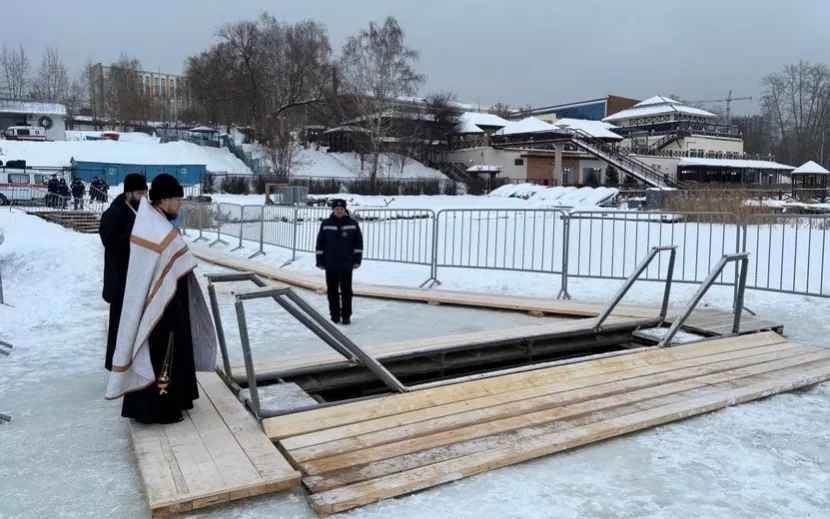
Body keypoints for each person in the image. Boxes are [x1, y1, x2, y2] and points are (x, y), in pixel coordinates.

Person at [105, 173, 217, 424]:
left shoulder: (154, 221)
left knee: (170, 353)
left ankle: (174, 400)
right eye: (177, 200)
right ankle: (159, 410)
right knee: (160, 354)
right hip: (160, 305)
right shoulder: (155, 227)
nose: (180, 205)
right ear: (164, 200)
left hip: (167, 300)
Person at [98, 173, 148, 371]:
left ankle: (135, 362)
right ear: (128, 193)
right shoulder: (114, 213)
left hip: (137, 278)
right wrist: (135, 240)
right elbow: (109, 240)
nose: (144, 196)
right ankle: (115, 365)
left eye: (145, 192)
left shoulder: (143, 210)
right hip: (121, 280)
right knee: (119, 325)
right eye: (139, 192)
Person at [315, 199, 363, 325]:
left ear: (345, 210)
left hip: (347, 264)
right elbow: (320, 243)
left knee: (347, 291)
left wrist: (357, 260)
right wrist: (319, 261)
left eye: (341, 209)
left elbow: (358, 243)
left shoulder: (353, 223)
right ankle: (334, 315)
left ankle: (346, 315)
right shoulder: (326, 223)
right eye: (337, 209)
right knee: (332, 291)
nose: (339, 211)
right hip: (330, 264)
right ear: (333, 210)